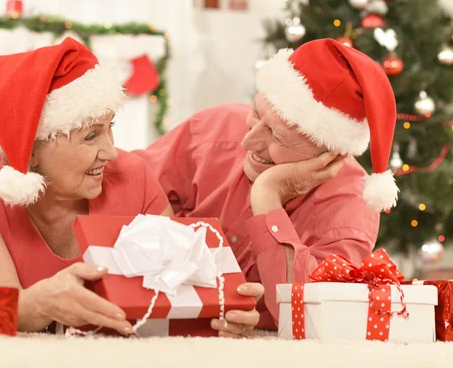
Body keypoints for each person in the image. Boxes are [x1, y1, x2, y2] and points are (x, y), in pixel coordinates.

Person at [0, 38, 263, 337]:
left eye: (111, 128)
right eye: (91, 135)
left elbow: (172, 303)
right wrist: (40, 304)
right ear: (32, 150)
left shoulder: (134, 177)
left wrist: (219, 316)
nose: (110, 152)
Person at [133, 38, 399, 330]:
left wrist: (268, 196)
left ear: (330, 154)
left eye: (277, 136)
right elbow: (122, 183)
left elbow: (309, 320)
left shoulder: (350, 208)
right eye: (257, 114)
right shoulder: (215, 127)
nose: (248, 141)